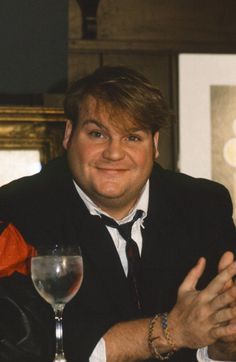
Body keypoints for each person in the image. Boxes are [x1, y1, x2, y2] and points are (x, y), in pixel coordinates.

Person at [0, 65, 236, 362]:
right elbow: (19, 342)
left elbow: (218, 342)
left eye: (132, 137)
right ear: (69, 135)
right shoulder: (17, 211)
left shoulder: (204, 204)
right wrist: (172, 330)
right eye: (98, 134)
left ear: (155, 144)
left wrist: (224, 344)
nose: (113, 153)